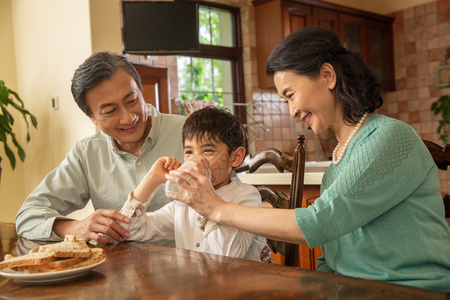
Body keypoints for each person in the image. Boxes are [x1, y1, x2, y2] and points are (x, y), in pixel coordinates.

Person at [164, 27, 450, 292]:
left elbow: (319, 223)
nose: (291, 111)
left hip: (410, 290)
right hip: (353, 290)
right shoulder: (337, 164)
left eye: (290, 95)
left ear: (327, 76)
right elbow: (333, 256)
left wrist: (216, 208)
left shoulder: (388, 136)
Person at [15, 51, 186, 246]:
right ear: (92, 118)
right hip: (121, 273)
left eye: (132, 101)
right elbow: (28, 216)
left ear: (140, 91)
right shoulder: (87, 154)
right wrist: (76, 228)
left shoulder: (192, 134)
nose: (128, 117)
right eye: (110, 111)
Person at [118, 107, 266, 261]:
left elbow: (229, 254)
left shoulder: (246, 197)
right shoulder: (184, 204)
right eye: (189, 152)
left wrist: (206, 203)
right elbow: (129, 231)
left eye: (207, 151)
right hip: (192, 283)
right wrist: (151, 179)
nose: (195, 160)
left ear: (235, 157)